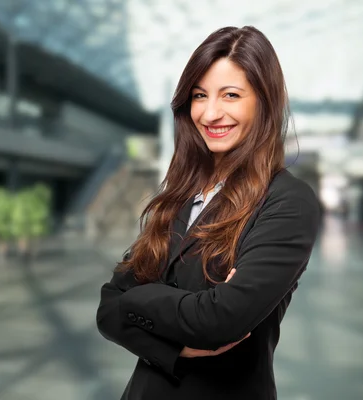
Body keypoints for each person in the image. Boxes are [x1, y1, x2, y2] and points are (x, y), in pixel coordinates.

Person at [96, 26, 321, 400]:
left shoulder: (288, 201)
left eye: (230, 95)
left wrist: (135, 299)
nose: (211, 113)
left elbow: (219, 321)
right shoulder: (180, 198)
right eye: (199, 96)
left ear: (264, 102)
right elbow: (107, 310)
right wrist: (173, 345)